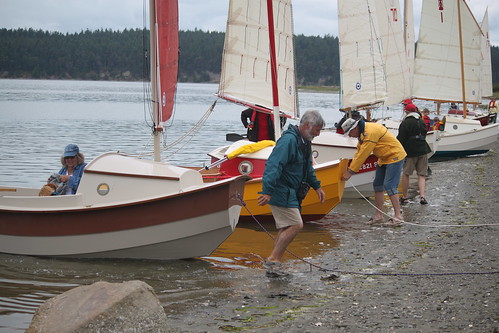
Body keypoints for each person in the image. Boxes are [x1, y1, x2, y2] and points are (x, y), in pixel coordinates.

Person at [257, 110, 326, 277]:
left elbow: (307, 168)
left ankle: (273, 263)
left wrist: (317, 186)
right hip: (281, 189)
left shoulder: (305, 141)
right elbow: (274, 165)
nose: (318, 134)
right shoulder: (288, 140)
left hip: (291, 191)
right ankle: (274, 260)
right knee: (296, 224)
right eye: (317, 129)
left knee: (287, 226)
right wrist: (267, 191)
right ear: (307, 125)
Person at [341, 118, 406, 226]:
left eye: (350, 133)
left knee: (390, 185)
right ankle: (379, 216)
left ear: (355, 128)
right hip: (383, 158)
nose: (349, 136)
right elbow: (359, 152)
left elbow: (363, 155)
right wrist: (349, 167)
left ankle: (398, 216)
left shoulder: (369, 132)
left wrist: (351, 172)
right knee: (377, 185)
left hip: (395, 156)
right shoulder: (362, 134)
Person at [397, 104, 432, 205]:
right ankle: (422, 197)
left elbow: (401, 139)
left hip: (410, 151)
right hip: (423, 149)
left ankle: (405, 197)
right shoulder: (421, 121)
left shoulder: (406, 123)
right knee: (421, 174)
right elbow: (425, 133)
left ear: (406, 112)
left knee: (406, 174)